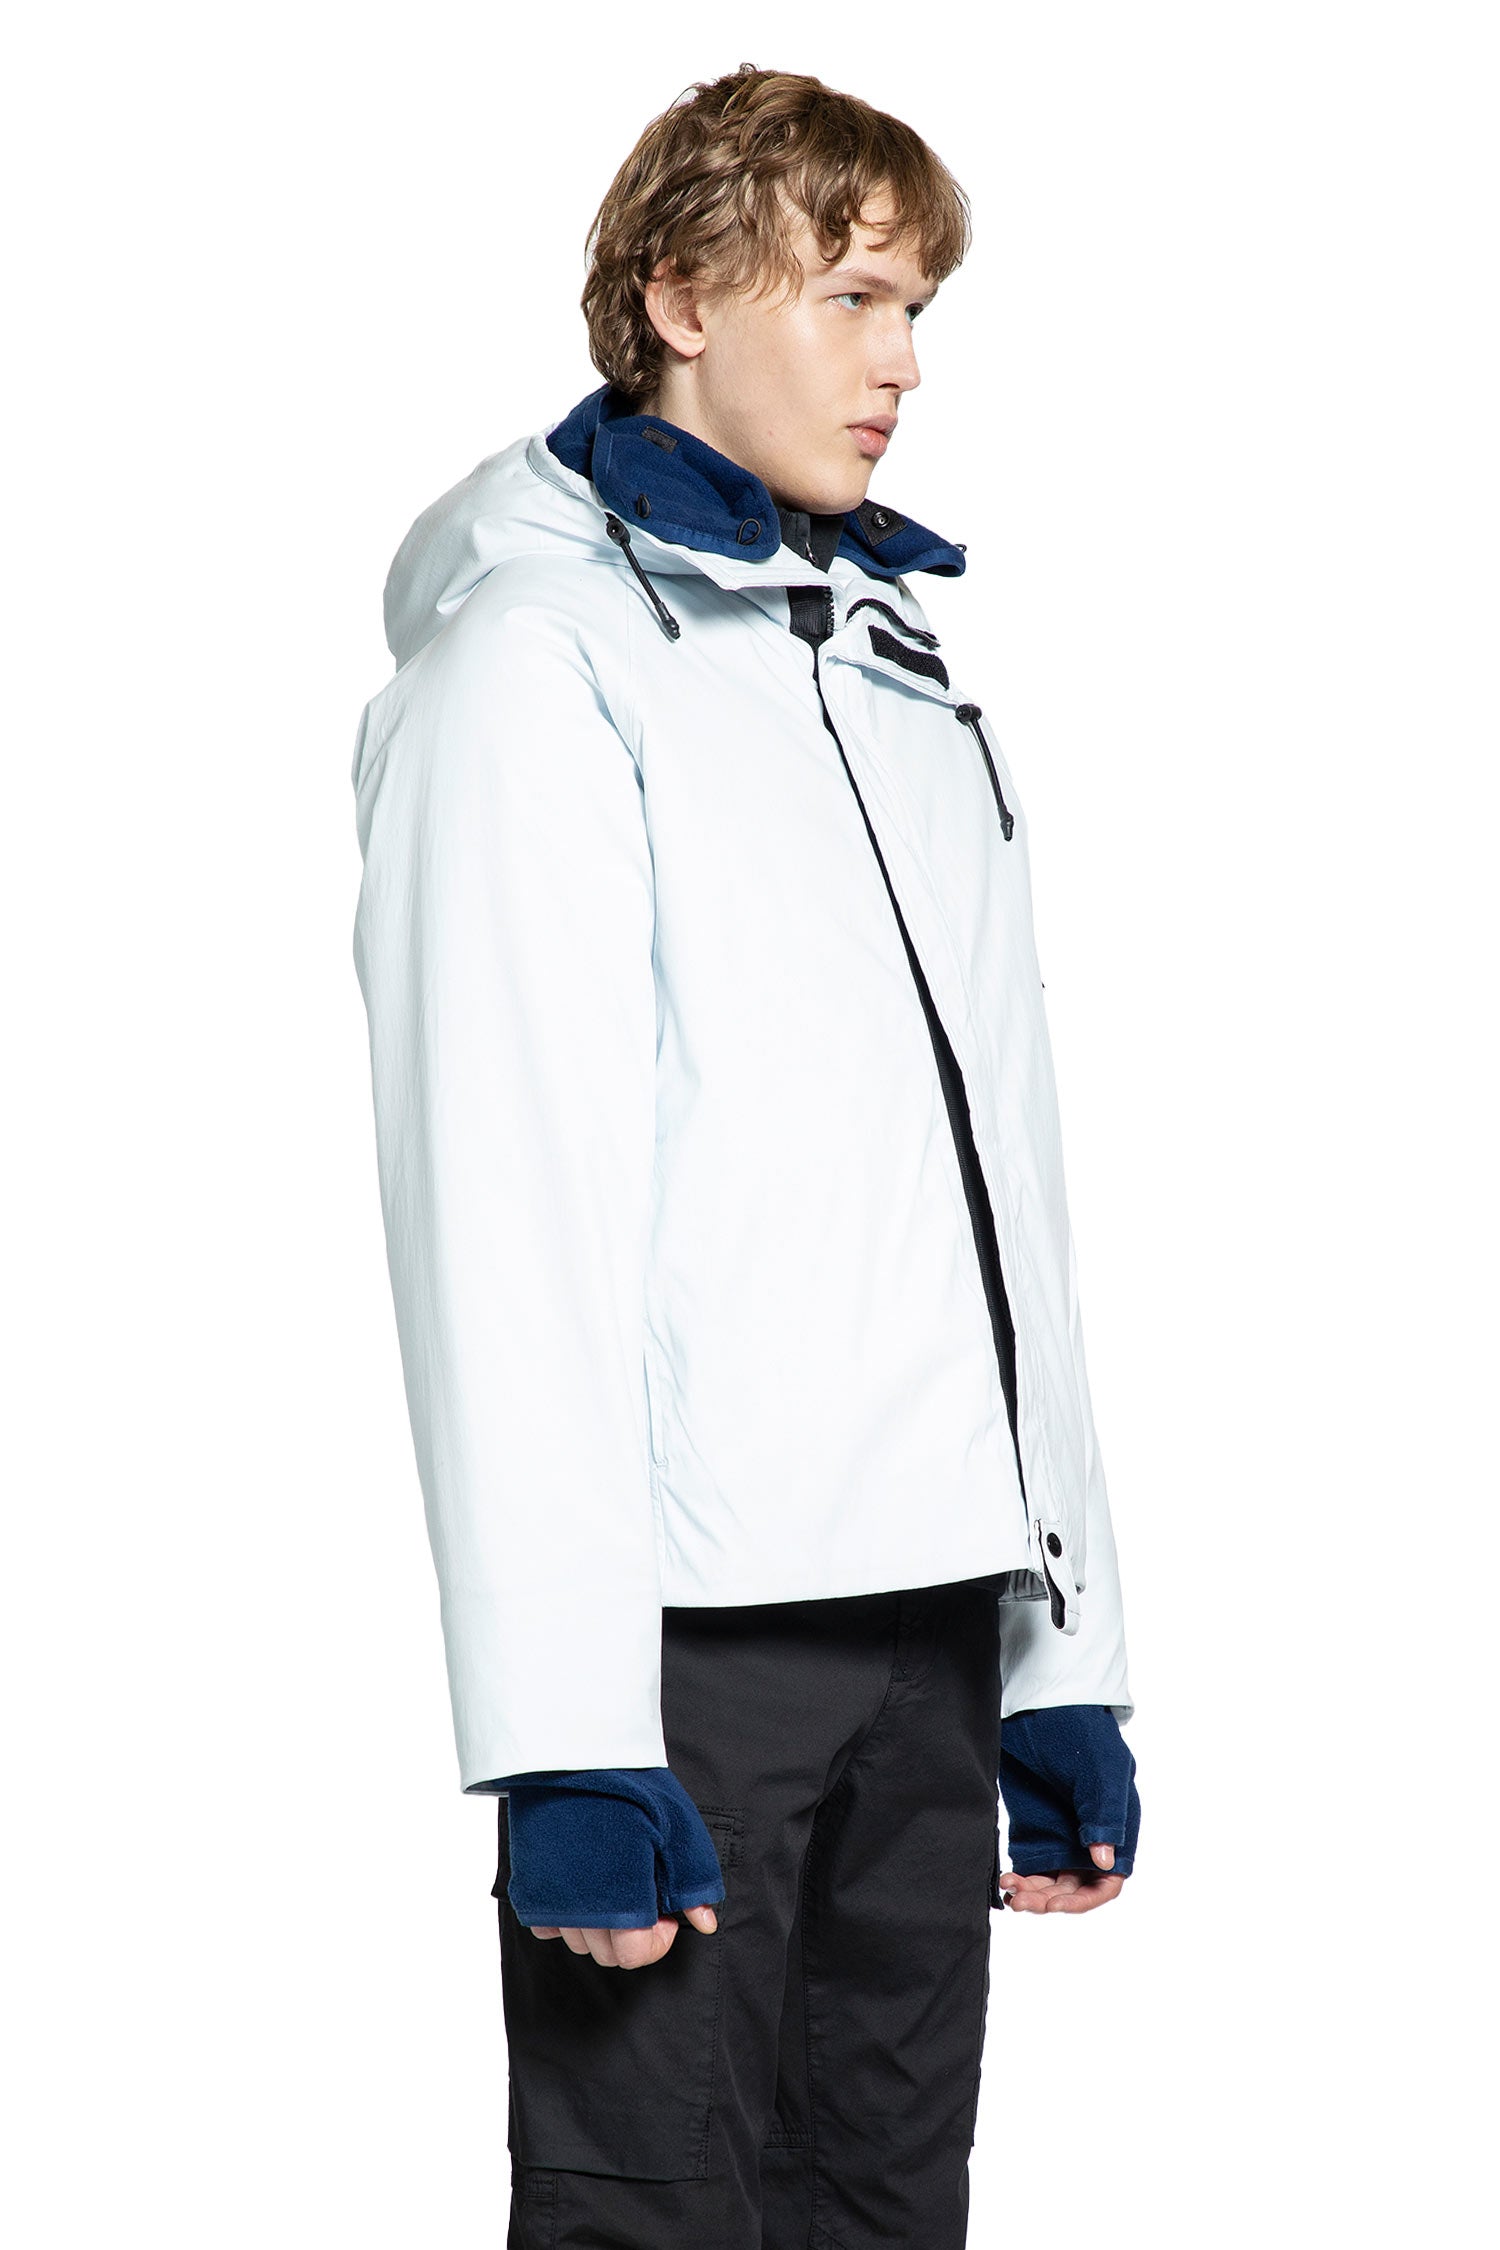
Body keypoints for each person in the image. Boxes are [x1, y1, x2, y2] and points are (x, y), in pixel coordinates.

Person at [351, 62, 1141, 2250]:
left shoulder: (889, 674)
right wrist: (563, 1728)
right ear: (682, 295)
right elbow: (505, 1217)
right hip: (686, 1651)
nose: (905, 366)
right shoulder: (533, 672)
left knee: (884, 2207)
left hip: (930, 1622)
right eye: (854, 297)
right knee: (659, 2214)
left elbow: (1004, 1189)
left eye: (920, 310)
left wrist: (1062, 1649)